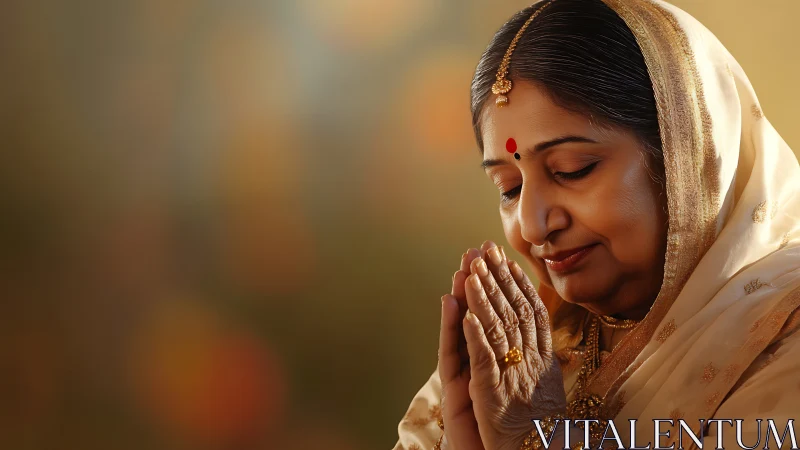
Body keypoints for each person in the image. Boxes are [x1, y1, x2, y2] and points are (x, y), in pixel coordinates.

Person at [393, 0, 800, 448]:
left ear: (687, 154)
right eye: (508, 188)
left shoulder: (782, 327)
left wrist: (533, 433)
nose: (531, 226)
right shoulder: (519, 353)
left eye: (571, 169)